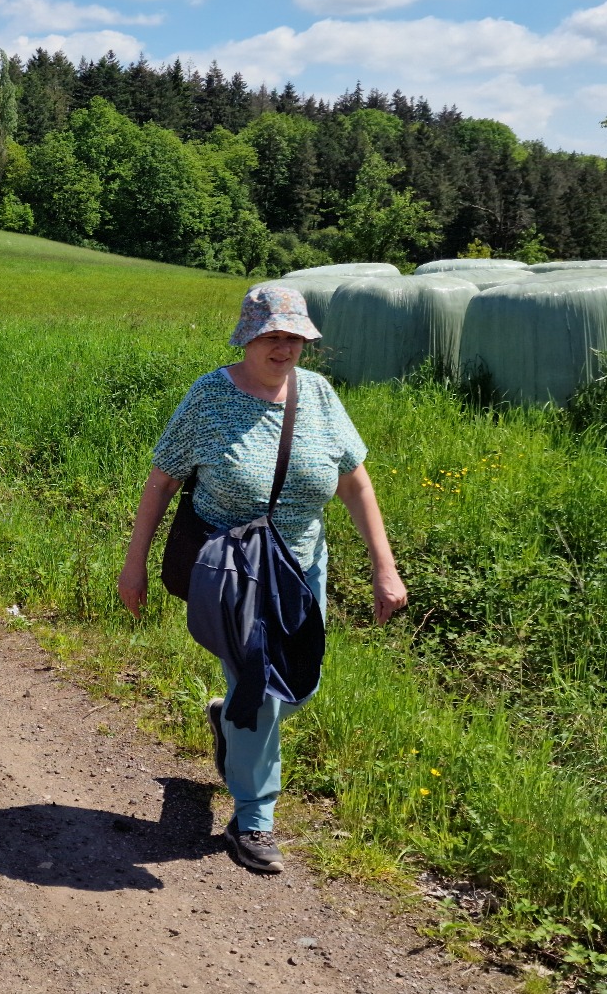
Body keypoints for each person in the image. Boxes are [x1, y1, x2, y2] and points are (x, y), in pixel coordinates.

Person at [116, 285, 406, 875]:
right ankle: (253, 818)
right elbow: (162, 481)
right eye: (273, 335)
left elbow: (355, 483)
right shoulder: (210, 396)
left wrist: (385, 565)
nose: (284, 347)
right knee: (264, 693)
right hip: (233, 571)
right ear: (247, 337)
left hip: (300, 568)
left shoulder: (319, 395)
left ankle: (229, 720)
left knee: (300, 685)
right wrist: (134, 562)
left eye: (294, 337)